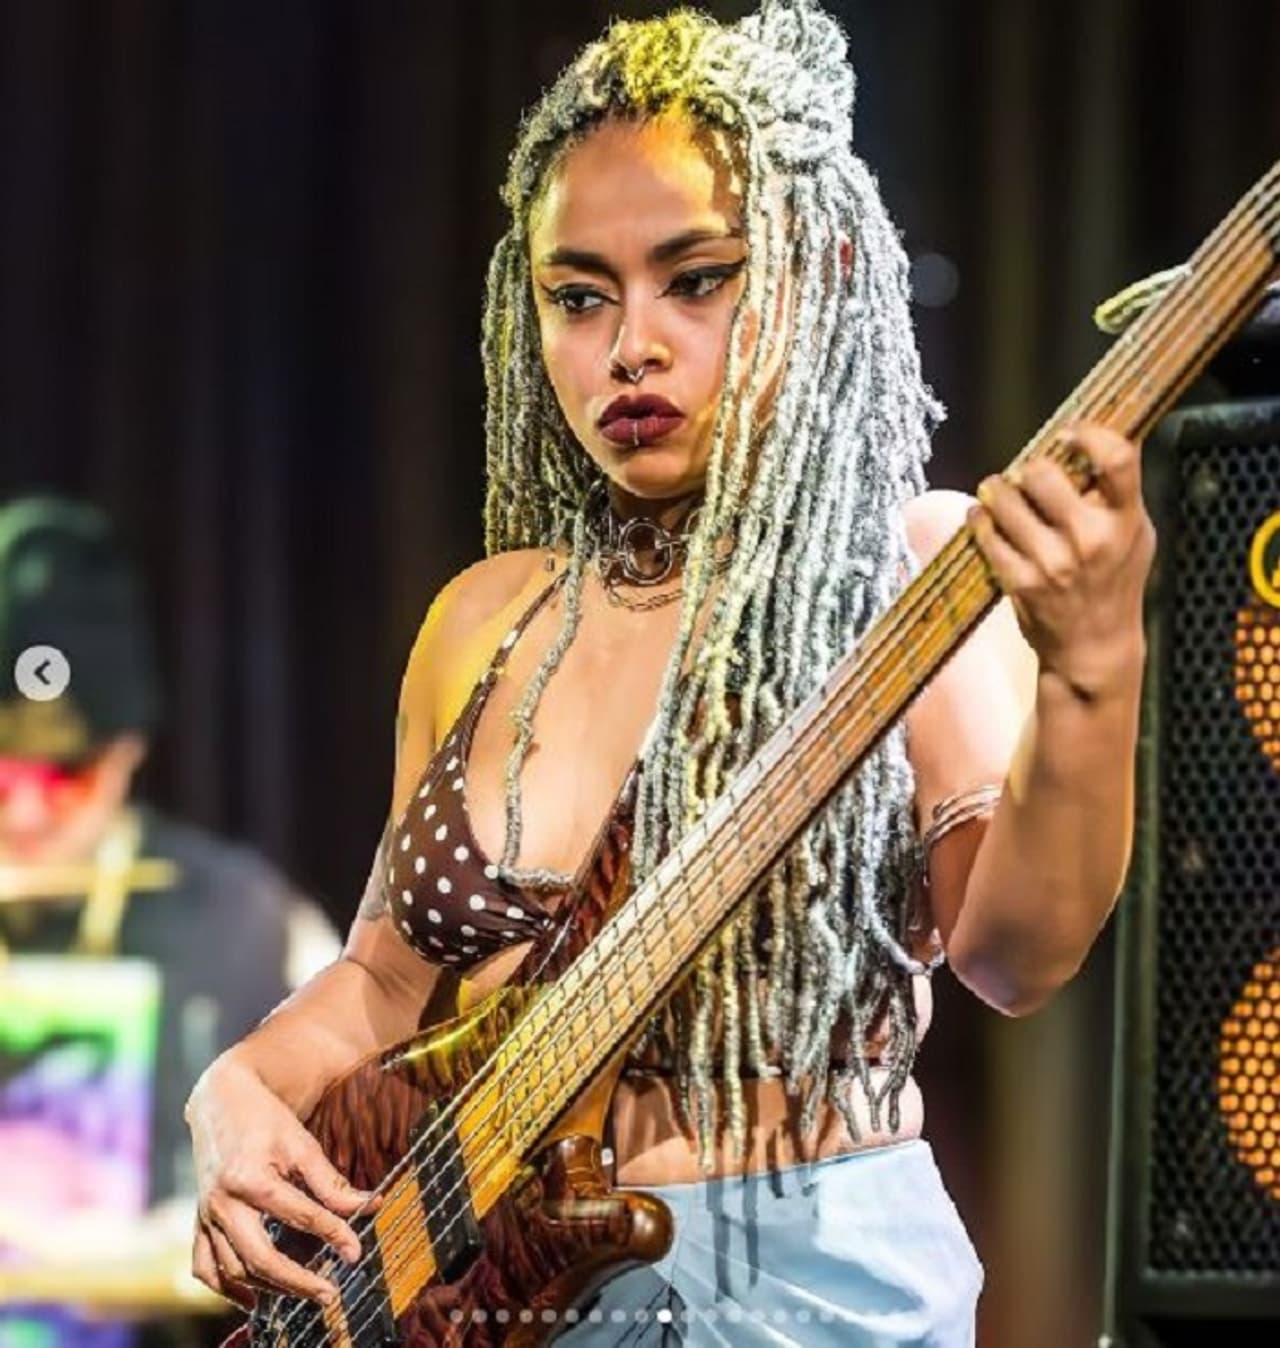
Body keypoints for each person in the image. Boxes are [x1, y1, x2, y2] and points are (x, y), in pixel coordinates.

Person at [184, 2, 1155, 1342]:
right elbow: (385, 983)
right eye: (579, 296)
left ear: (809, 277)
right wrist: (233, 1087)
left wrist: (1095, 665)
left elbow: (1014, 954)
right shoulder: (486, 619)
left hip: (800, 1291)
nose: (631, 344)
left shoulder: (904, 572)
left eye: (697, 279)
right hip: (481, 1300)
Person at [0, 495, 338, 1344]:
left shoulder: (253, 922)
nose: (27, 813)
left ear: (130, 748)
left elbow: (348, 1184)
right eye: (2, 774)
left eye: (67, 776)